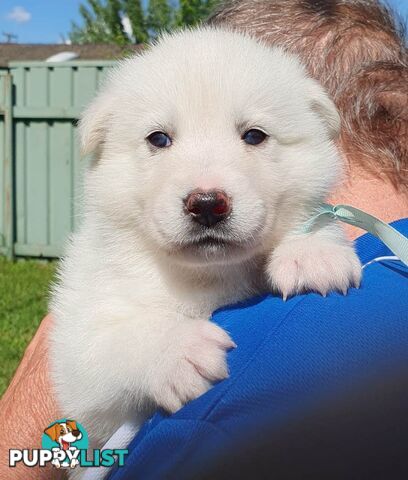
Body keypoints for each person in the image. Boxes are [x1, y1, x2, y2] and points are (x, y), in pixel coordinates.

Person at [0, 0, 407, 479]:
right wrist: (151, 350)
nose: (207, 193)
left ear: (319, 133)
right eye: (159, 139)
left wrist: (312, 239)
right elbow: (83, 380)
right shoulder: (116, 266)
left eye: (253, 135)